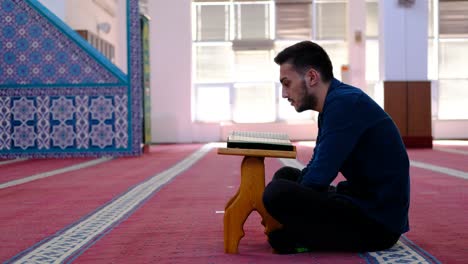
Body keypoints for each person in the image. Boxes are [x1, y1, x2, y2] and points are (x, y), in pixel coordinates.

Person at [262, 41, 410, 253]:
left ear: (312, 77)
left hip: (377, 223)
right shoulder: (334, 103)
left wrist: (289, 207)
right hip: (360, 201)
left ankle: (301, 236)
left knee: (276, 194)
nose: (285, 94)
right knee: (285, 175)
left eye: (287, 83)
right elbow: (316, 165)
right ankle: (302, 234)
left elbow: (319, 177)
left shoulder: (344, 104)